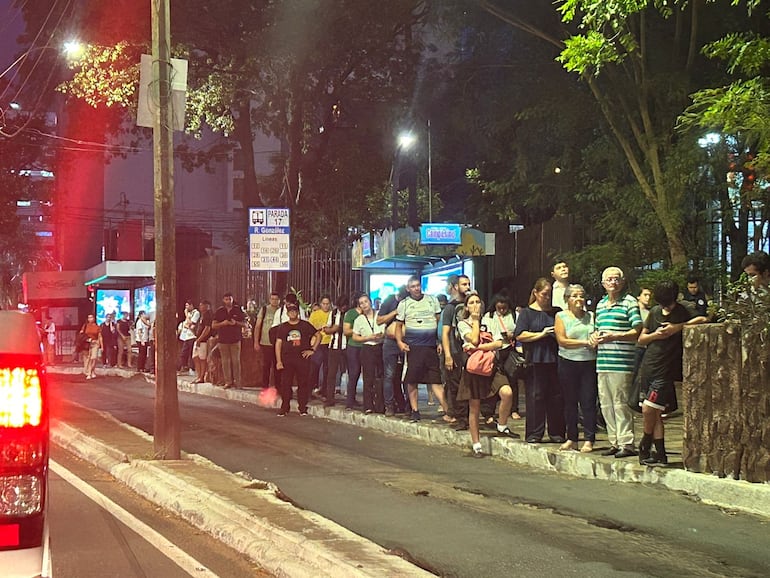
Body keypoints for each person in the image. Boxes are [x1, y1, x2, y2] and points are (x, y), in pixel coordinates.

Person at [637, 280, 707, 465]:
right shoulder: (654, 312)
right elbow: (642, 339)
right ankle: (660, 453)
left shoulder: (684, 310)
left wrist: (677, 327)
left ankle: (645, 442)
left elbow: (703, 319)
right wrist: (657, 335)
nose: (665, 307)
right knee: (655, 413)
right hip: (649, 365)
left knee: (648, 408)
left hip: (666, 369)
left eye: (667, 303)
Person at [591, 266, 643, 459]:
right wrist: (595, 337)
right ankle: (614, 440)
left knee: (621, 403)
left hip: (622, 361)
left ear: (622, 282)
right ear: (603, 284)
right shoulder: (601, 304)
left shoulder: (629, 302)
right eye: (609, 279)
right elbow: (597, 329)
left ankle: (627, 443)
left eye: (616, 279)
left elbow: (637, 331)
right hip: (603, 362)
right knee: (606, 403)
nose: (613, 282)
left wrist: (615, 336)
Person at [456, 293, 508, 457]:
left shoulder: (491, 320)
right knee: (474, 407)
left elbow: (499, 343)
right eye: (471, 302)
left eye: (478, 301)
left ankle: (502, 425)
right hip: (474, 369)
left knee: (507, 392)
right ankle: (476, 444)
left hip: (491, 365)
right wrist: (476, 320)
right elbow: (474, 339)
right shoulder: (463, 324)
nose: (475, 305)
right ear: (466, 307)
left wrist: (479, 348)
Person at [514, 278, 565, 444]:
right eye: (544, 294)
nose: (547, 298)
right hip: (535, 359)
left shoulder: (556, 311)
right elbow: (520, 335)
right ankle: (535, 433)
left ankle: (556, 432)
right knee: (536, 396)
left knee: (556, 396)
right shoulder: (527, 313)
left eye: (549, 295)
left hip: (554, 358)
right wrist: (541, 334)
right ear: (536, 293)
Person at [395, 275, 450, 422]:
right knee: (412, 380)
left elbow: (439, 322)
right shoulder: (404, 304)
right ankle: (415, 410)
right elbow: (398, 326)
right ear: (408, 289)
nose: (416, 288)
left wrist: (439, 341)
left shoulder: (432, 300)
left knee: (436, 381)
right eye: (413, 286)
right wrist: (400, 342)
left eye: (418, 285)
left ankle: (448, 411)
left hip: (430, 347)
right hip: (414, 348)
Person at [554, 284, 598, 453]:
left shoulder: (591, 316)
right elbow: (562, 340)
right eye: (574, 296)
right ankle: (572, 437)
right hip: (568, 361)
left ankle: (589, 438)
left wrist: (595, 339)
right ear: (567, 299)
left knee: (588, 401)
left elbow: (596, 334)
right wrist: (584, 342)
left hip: (588, 362)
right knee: (570, 401)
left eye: (581, 296)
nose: (578, 299)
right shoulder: (561, 316)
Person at [481, 294, 521, 435]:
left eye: (505, 305)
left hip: (509, 351)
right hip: (494, 352)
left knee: (512, 381)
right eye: (499, 305)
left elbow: (521, 330)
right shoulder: (488, 316)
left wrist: (513, 335)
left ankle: (513, 409)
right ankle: (488, 413)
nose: (502, 308)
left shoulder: (514, 315)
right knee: (492, 383)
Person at [275, 303, 319, 416]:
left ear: (298, 312)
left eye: (294, 311)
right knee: (286, 384)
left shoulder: (305, 325)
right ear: (287, 313)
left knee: (303, 383)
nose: (292, 313)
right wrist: (279, 361)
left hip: (302, 359)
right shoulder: (283, 327)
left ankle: (302, 407)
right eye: (290, 311)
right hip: (287, 359)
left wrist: (312, 349)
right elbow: (278, 344)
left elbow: (318, 335)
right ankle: (285, 407)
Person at [441, 275, 472, 429]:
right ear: (456, 287)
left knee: (469, 385)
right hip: (454, 351)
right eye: (463, 284)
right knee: (455, 385)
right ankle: (460, 417)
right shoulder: (450, 307)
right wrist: (447, 355)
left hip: (470, 351)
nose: (467, 287)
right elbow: (445, 333)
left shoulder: (474, 304)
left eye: (468, 284)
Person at [376, 285, 408, 416]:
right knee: (389, 375)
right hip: (390, 343)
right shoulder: (389, 301)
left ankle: (407, 406)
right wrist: (395, 312)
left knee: (406, 376)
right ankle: (389, 405)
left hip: (406, 341)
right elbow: (379, 320)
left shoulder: (410, 302)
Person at [351, 294, 385, 413]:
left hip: (380, 346)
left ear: (370, 302)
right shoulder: (359, 319)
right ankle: (368, 405)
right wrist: (367, 337)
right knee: (368, 377)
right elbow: (355, 336)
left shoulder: (380, 315)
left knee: (381, 377)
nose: (364, 305)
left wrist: (381, 336)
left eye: (366, 302)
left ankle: (381, 405)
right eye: (361, 303)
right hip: (367, 348)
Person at [212, 292, 246, 388]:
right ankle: (228, 381)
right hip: (223, 339)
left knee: (236, 361)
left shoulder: (238, 310)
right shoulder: (220, 311)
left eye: (229, 299)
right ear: (223, 300)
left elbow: (245, 324)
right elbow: (213, 325)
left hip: (235, 339)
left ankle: (238, 382)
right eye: (226, 299)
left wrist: (236, 323)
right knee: (225, 361)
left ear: (232, 299)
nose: (228, 301)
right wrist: (223, 323)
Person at [323, 296, 349, 407]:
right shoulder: (333, 313)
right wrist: (334, 329)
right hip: (334, 347)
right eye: (340, 307)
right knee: (331, 373)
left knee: (351, 373)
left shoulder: (351, 313)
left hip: (348, 347)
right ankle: (330, 398)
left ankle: (350, 398)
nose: (342, 309)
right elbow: (326, 329)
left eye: (344, 307)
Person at [254, 292, 281, 389]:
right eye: (272, 299)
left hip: (278, 343)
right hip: (265, 342)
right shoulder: (264, 309)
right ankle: (265, 386)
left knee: (277, 365)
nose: (274, 301)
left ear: (279, 300)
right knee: (266, 365)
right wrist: (256, 341)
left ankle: (278, 386)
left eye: (276, 299)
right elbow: (257, 326)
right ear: (270, 300)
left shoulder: (281, 311)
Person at [308, 295, 333, 397]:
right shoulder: (315, 314)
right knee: (314, 367)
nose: (326, 306)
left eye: (327, 304)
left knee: (327, 368)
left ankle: (325, 390)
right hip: (318, 343)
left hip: (329, 343)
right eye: (324, 304)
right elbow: (309, 328)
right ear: (320, 304)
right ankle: (309, 390)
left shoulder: (333, 314)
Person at [343, 292, 364, 410]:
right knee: (354, 373)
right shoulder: (351, 313)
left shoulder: (369, 313)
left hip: (366, 345)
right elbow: (346, 331)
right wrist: (358, 329)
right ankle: (350, 401)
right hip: (354, 346)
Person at [192, 300, 212, 384]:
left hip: (203, 340)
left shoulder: (208, 315)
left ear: (207, 306)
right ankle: (198, 375)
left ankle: (202, 377)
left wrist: (200, 339)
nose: (200, 307)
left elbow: (207, 329)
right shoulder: (201, 316)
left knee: (202, 359)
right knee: (195, 357)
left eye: (202, 305)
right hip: (198, 339)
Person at [177, 300, 200, 372]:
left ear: (191, 305)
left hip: (192, 335)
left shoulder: (196, 313)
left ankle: (192, 368)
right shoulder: (189, 314)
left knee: (191, 353)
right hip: (186, 336)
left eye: (187, 305)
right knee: (183, 353)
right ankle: (184, 366)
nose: (186, 308)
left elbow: (192, 322)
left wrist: (187, 315)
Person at [80, 313, 102, 379]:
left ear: (94, 318)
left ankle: (92, 370)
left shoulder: (97, 327)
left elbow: (100, 336)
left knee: (94, 358)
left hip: (95, 343)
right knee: (88, 358)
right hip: (87, 343)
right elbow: (81, 334)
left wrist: (100, 344)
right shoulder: (85, 326)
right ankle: (89, 372)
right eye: (89, 317)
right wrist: (86, 339)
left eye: (91, 317)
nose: (90, 319)